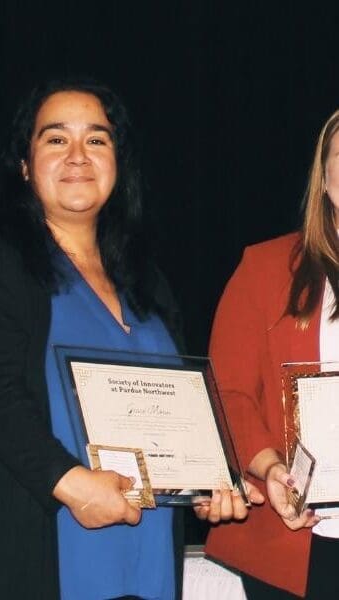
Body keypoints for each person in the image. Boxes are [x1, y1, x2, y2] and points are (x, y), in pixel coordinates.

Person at [0, 78, 259, 600]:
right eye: (55, 138)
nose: (77, 155)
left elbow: (183, 408)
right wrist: (72, 484)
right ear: (24, 164)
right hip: (53, 544)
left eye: (96, 139)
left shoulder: (145, 279)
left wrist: (208, 483)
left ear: (118, 162)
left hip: (148, 549)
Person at [204, 108, 339, 599]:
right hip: (293, 543)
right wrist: (269, 467)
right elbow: (229, 393)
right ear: (323, 178)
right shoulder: (263, 268)